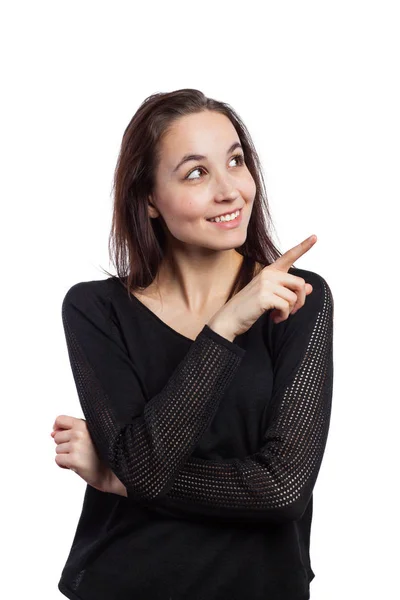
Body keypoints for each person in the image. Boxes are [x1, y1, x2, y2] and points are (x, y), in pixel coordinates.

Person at [52, 88, 334, 600]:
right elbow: (146, 466)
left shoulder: (298, 300)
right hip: (124, 582)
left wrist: (119, 480)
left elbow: (283, 489)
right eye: (196, 173)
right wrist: (224, 327)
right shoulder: (95, 310)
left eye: (235, 161)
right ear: (149, 201)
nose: (231, 191)